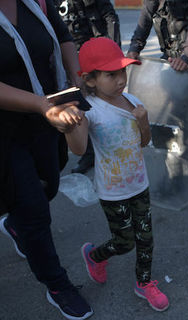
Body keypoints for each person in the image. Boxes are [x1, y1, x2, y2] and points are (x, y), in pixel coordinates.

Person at [60, 37, 169, 312]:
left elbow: (143, 142)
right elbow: (79, 149)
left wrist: (143, 121)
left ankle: (144, 283)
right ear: (91, 79)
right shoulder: (89, 110)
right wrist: (70, 125)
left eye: (122, 71)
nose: (121, 79)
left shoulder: (132, 101)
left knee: (146, 239)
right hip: (112, 190)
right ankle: (95, 255)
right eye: (111, 74)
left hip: (139, 184)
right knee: (124, 242)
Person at [0, 0, 93, 318]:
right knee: (34, 210)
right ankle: (58, 285)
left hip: (50, 112)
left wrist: (74, 78)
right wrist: (41, 105)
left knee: (50, 184)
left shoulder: (36, 2)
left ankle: (15, 224)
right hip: (6, 130)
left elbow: (63, 37)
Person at [126, 0, 188, 176]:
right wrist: (134, 48)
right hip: (169, 56)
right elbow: (145, 15)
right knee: (173, 114)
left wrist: (187, 57)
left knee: (180, 111)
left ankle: (180, 173)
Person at [54, 0, 121, 174]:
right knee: (73, 107)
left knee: (97, 105)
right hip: (65, 58)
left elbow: (109, 16)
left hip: (92, 57)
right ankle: (82, 149)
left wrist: (112, 54)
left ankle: (101, 149)